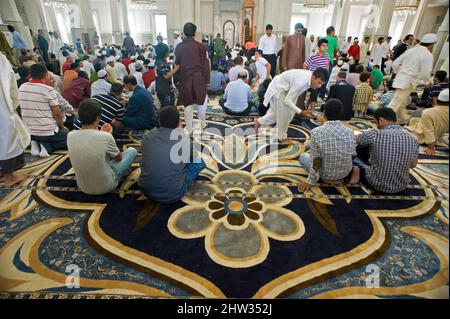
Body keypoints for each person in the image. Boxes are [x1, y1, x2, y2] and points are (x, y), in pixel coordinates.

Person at [68, 99, 138, 195]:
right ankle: (124, 173)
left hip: (82, 187)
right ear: (98, 118)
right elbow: (118, 159)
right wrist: (108, 136)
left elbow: (88, 142)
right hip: (107, 186)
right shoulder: (105, 137)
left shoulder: (70, 135)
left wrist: (101, 134)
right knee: (132, 151)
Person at [139, 106, 206, 204]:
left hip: (145, 189)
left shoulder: (146, 137)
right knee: (199, 162)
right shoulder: (185, 141)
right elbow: (194, 158)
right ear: (179, 122)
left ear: (159, 121)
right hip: (173, 194)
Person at [298, 99, 359, 192]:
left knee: (303, 157)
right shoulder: (350, 131)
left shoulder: (316, 132)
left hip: (325, 176)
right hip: (344, 173)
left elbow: (316, 160)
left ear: (324, 113)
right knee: (316, 147)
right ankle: (352, 172)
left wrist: (310, 181)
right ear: (341, 113)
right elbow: (353, 154)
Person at [354, 107, 419, 194]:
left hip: (377, 185)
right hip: (401, 186)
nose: (376, 125)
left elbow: (355, 139)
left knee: (355, 155)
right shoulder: (413, 138)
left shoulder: (375, 134)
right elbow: (413, 165)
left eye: (376, 122)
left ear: (381, 120)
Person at [254, 68, 327, 145]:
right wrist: (301, 112)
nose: (319, 86)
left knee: (283, 113)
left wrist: (299, 110)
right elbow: (287, 100)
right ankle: (282, 137)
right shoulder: (301, 82)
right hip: (279, 90)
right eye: (319, 82)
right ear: (313, 77)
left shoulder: (309, 78)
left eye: (322, 83)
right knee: (284, 115)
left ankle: (259, 121)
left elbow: (294, 94)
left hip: (286, 89)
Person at [166, 22, 210, 134]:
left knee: (188, 104)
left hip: (185, 78)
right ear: (195, 33)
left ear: (184, 33)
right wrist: (207, 80)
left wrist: (176, 81)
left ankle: (189, 128)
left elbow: (177, 65)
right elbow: (206, 64)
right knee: (201, 102)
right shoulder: (201, 47)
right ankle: (203, 124)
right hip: (199, 78)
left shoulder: (179, 47)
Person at [18, 63, 68, 157]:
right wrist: (62, 127)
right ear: (46, 74)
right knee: (66, 137)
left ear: (30, 75)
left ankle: (35, 142)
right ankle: (46, 146)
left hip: (28, 131)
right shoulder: (48, 89)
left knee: (39, 133)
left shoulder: (22, 87)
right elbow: (57, 114)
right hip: (48, 133)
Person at [389, 33, 437, 124]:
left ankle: (403, 119)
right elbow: (425, 73)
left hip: (400, 79)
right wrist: (429, 81)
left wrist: (400, 72)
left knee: (402, 101)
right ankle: (384, 119)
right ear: (431, 45)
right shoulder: (427, 55)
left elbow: (395, 63)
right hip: (408, 82)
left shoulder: (411, 50)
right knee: (396, 102)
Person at [0, 52, 30, 186]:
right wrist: (12, 105)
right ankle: (9, 177)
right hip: (2, 108)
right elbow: (8, 84)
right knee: (7, 139)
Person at [406, 89, 449, 156]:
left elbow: (428, 131)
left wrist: (431, 147)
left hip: (422, 138)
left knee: (417, 112)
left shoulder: (428, 112)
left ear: (437, 100)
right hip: (439, 135)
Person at [304, 38, 330, 107]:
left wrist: (326, 77)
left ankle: (306, 105)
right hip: (314, 79)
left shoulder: (327, 55)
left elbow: (327, 66)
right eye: (323, 45)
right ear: (318, 47)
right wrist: (307, 74)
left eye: (326, 46)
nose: (325, 47)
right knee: (314, 94)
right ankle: (313, 111)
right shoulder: (314, 56)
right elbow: (305, 64)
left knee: (315, 94)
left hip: (321, 79)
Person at [319, 26, 339, 99]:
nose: (335, 33)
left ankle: (317, 92)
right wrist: (335, 58)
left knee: (319, 75)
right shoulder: (334, 39)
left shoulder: (322, 39)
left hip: (321, 59)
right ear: (332, 32)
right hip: (329, 60)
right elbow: (336, 50)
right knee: (326, 77)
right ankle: (321, 95)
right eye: (334, 32)